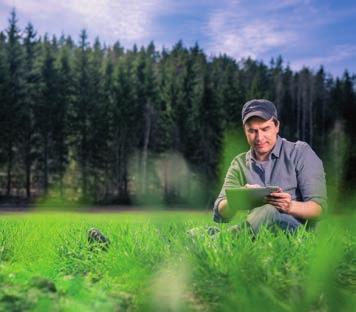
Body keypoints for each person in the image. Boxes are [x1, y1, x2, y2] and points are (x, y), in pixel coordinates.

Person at [213, 99, 327, 235]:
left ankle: (218, 237)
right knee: (264, 212)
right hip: (258, 230)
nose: (259, 138)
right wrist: (238, 200)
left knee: (269, 210)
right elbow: (220, 210)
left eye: (265, 129)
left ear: (276, 126)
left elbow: (319, 208)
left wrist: (289, 206)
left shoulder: (301, 152)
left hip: (299, 232)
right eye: (252, 131)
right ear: (245, 131)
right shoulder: (239, 163)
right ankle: (223, 236)